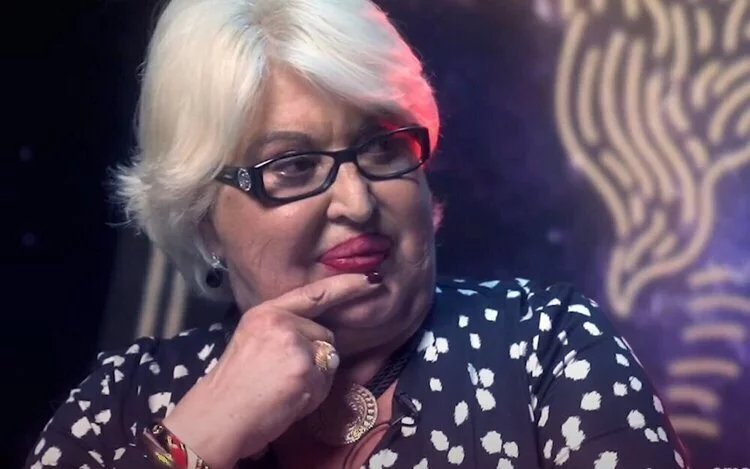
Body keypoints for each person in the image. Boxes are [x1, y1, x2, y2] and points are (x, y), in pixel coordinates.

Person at [25, 0, 691, 468]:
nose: (357, 200)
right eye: (293, 164)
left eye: (381, 146)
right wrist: (200, 437)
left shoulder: (544, 347)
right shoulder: (123, 399)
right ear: (203, 220)